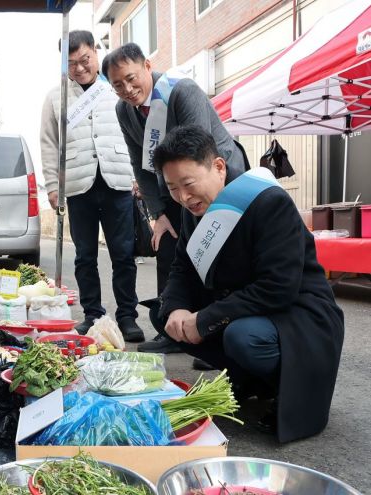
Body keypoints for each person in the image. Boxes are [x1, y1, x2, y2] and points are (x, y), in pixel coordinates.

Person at [153, 124, 344, 442]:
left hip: (298, 313)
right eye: (173, 188)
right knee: (165, 317)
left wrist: (206, 318)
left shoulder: (268, 202)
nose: (183, 197)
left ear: (218, 167)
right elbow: (182, 269)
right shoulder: (192, 209)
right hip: (246, 305)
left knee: (243, 337)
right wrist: (175, 309)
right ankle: (250, 379)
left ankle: (282, 387)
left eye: (188, 184)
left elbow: (278, 287)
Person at [101, 42, 248, 355]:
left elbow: (199, 151)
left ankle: (216, 334)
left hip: (215, 179)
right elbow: (139, 163)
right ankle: (174, 328)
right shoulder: (123, 111)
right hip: (173, 185)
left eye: (131, 78)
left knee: (219, 255)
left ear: (147, 67)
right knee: (171, 249)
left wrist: (192, 201)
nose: (127, 89)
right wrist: (159, 213)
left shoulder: (181, 91)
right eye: (117, 85)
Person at [40, 30, 143, 341]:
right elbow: (48, 143)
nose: (79, 68)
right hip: (77, 184)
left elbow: (136, 132)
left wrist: (137, 175)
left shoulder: (116, 88)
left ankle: (127, 316)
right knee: (84, 255)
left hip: (116, 180)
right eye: (71, 64)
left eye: (84, 60)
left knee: (123, 254)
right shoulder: (55, 97)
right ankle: (92, 314)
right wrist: (52, 186)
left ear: (96, 52)